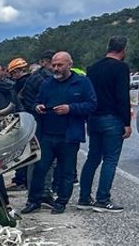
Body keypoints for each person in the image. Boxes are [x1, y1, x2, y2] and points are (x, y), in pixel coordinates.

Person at [23, 52, 96, 215]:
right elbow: (36, 101)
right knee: (39, 169)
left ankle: (61, 202)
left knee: (67, 171)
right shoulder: (47, 84)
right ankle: (34, 200)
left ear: (69, 65)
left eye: (60, 65)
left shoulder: (82, 83)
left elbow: (91, 105)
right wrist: (38, 107)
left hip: (69, 136)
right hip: (47, 135)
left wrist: (71, 108)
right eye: (54, 65)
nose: (56, 68)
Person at [78, 36, 132, 213]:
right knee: (110, 159)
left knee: (93, 158)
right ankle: (103, 198)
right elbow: (123, 96)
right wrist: (126, 122)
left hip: (94, 118)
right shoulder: (121, 68)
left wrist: (87, 119)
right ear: (123, 49)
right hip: (112, 118)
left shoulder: (92, 68)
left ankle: (84, 197)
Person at [8, 52, 55, 191]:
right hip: (39, 121)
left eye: (12, 73)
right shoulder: (38, 80)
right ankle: (40, 188)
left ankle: (25, 183)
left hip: (30, 121)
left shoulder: (23, 83)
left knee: (29, 154)